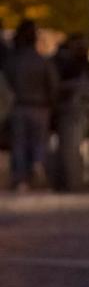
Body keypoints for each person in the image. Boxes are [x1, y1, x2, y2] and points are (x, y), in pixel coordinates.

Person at [3, 20, 58, 191]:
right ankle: (38, 166)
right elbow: (53, 85)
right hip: (40, 107)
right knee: (39, 142)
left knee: (19, 143)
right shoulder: (43, 61)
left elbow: (5, 85)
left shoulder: (12, 61)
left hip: (19, 106)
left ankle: (21, 179)